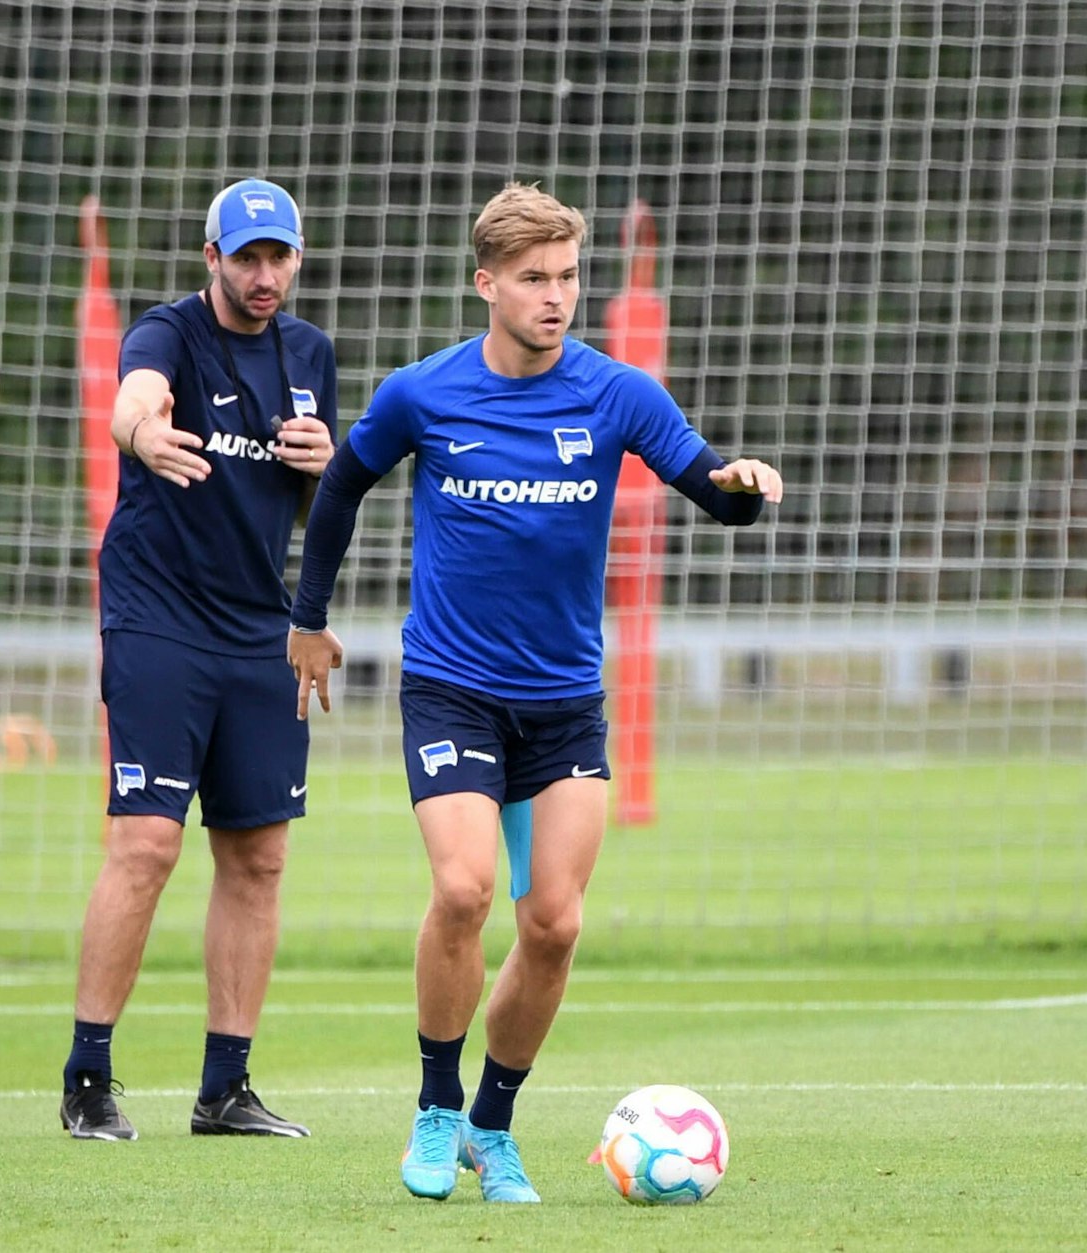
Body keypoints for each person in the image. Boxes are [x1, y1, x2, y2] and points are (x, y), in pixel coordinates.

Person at [285, 183, 783, 1201]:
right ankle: (432, 1108)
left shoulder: (618, 394)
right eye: (532, 279)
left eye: (566, 277)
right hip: (451, 688)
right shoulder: (423, 393)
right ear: (486, 284)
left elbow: (706, 486)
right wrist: (308, 617)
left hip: (562, 702)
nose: (554, 297)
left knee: (552, 922)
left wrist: (743, 484)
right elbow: (340, 486)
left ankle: (491, 1123)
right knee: (464, 888)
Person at [60, 178, 337, 1142]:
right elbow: (130, 403)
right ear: (210, 258)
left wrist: (321, 466)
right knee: (147, 842)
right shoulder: (169, 332)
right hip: (158, 617)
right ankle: (88, 1078)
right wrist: (142, 431)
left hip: (259, 628)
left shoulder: (310, 356)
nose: (266, 276)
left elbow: (313, 509)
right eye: (247, 257)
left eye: (281, 257)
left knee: (258, 855)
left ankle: (225, 1090)